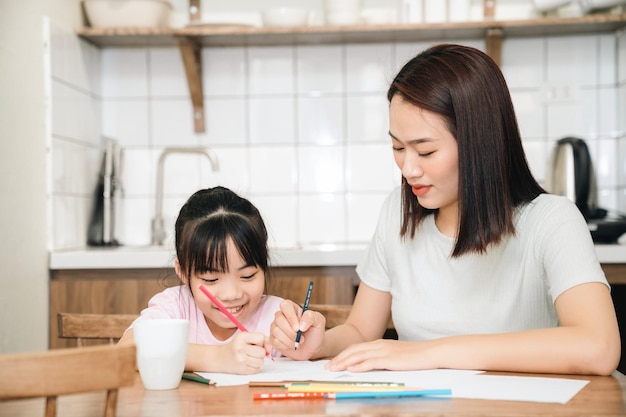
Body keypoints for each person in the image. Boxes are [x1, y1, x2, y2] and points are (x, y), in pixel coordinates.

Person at [269, 44, 621, 376]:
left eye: (425, 152)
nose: (408, 169)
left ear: (479, 144)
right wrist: (320, 343)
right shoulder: (397, 213)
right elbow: (362, 329)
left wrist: (429, 352)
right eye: (397, 147)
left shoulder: (551, 221)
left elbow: (598, 346)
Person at [119, 186, 282, 374]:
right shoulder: (175, 306)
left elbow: (318, 348)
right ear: (182, 271)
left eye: (247, 276)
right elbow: (126, 351)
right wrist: (218, 358)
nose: (231, 294)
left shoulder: (276, 317)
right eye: (211, 279)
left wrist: (314, 344)